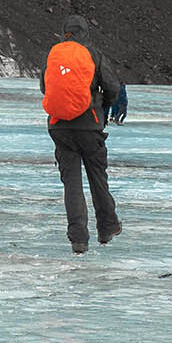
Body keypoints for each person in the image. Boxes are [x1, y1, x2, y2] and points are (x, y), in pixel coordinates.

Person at [40, 14, 123, 254]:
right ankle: (107, 227)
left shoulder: (54, 54)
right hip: (90, 124)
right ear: (85, 32)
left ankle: (78, 238)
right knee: (97, 177)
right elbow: (113, 87)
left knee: (72, 183)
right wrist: (102, 106)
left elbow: (45, 87)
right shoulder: (93, 54)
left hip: (60, 127)